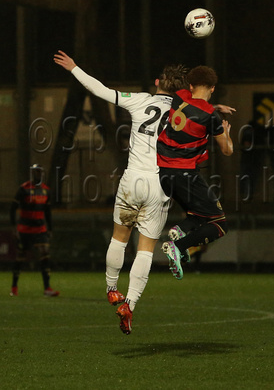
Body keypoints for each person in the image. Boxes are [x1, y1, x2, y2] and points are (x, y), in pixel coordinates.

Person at [54, 50, 189, 334]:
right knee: (146, 250)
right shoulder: (182, 114)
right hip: (159, 184)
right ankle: (130, 304)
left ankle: (111, 288)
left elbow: (100, 90)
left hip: (133, 180)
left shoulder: (141, 100)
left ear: (157, 83)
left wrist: (75, 68)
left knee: (119, 237)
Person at [157, 65, 234, 279]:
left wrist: (216, 107)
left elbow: (193, 106)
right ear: (212, 88)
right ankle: (179, 246)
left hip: (163, 173)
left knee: (198, 215)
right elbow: (227, 151)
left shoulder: (179, 96)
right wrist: (226, 132)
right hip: (185, 175)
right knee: (219, 224)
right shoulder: (210, 117)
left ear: (190, 85)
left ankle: (180, 229)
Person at [10, 164, 59, 297]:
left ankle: (47, 288)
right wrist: (14, 226)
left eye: (39, 172)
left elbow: (47, 212)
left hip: (40, 229)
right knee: (20, 257)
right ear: (32, 174)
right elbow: (12, 208)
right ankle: (14, 286)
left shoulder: (45, 190)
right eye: (35, 172)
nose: (37, 174)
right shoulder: (24, 189)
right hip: (25, 229)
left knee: (45, 256)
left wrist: (50, 228)